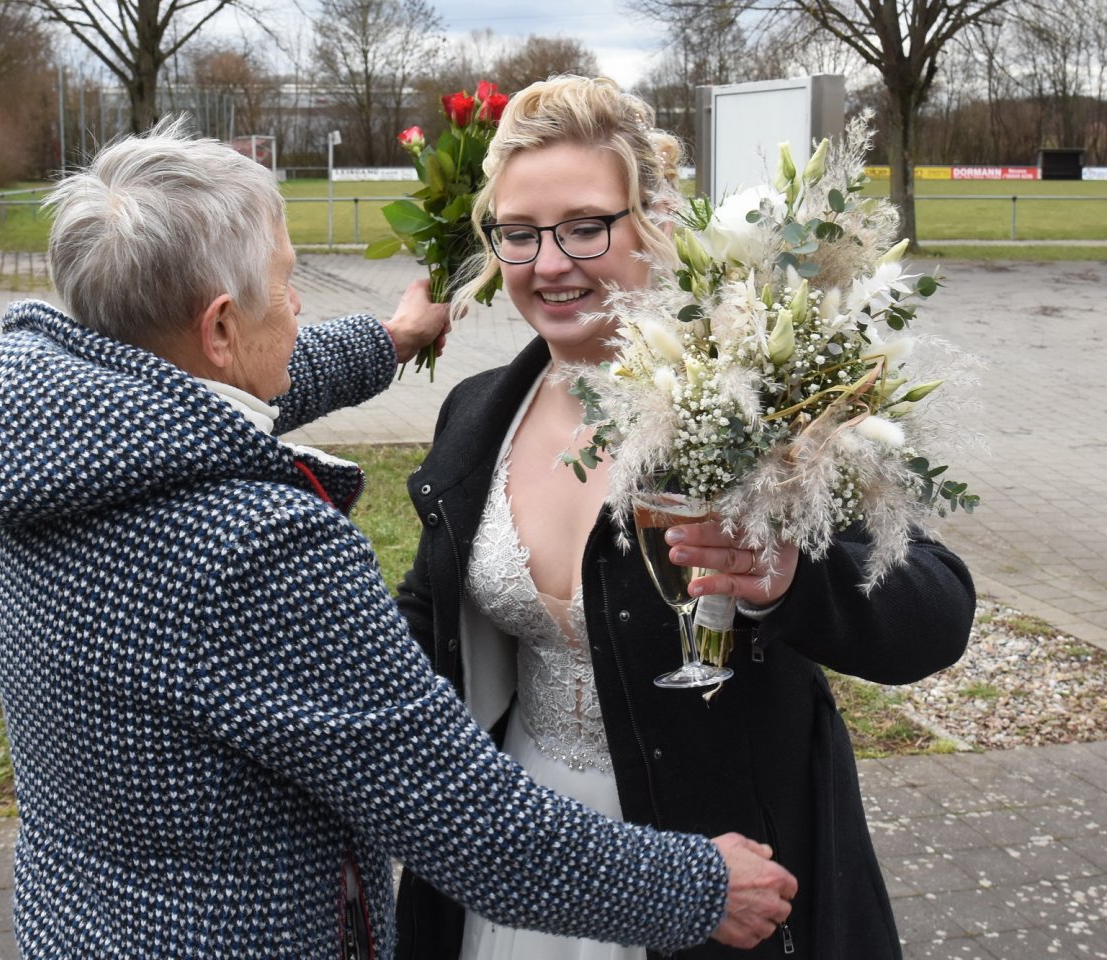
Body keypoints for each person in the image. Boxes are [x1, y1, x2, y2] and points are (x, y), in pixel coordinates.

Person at [0, 119, 798, 959]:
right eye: (286, 279)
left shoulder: (58, 450)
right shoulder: (258, 550)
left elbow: (212, 384)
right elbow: (458, 817)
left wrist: (389, 341)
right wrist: (698, 888)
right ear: (224, 328)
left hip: (78, 921)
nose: (301, 300)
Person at [394, 76, 975, 960]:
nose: (549, 263)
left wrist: (792, 581)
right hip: (531, 852)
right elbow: (430, 621)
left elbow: (936, 610)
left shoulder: (764, 400)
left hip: (726, 864)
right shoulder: (478, 414)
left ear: (656, 218)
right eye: (517, 234)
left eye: (586, 226)